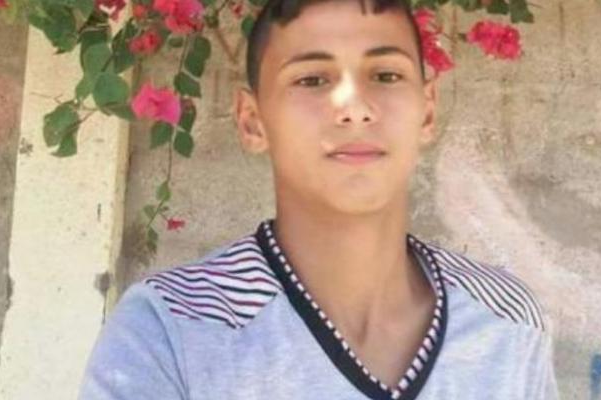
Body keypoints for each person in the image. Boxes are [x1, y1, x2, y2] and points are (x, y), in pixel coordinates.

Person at [78, 0, 560, 398]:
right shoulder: (174, 330)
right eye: (312, 79)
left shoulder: (507, 321)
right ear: (252, 121)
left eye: (386, 75)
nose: (355, 107)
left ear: (428, 110)